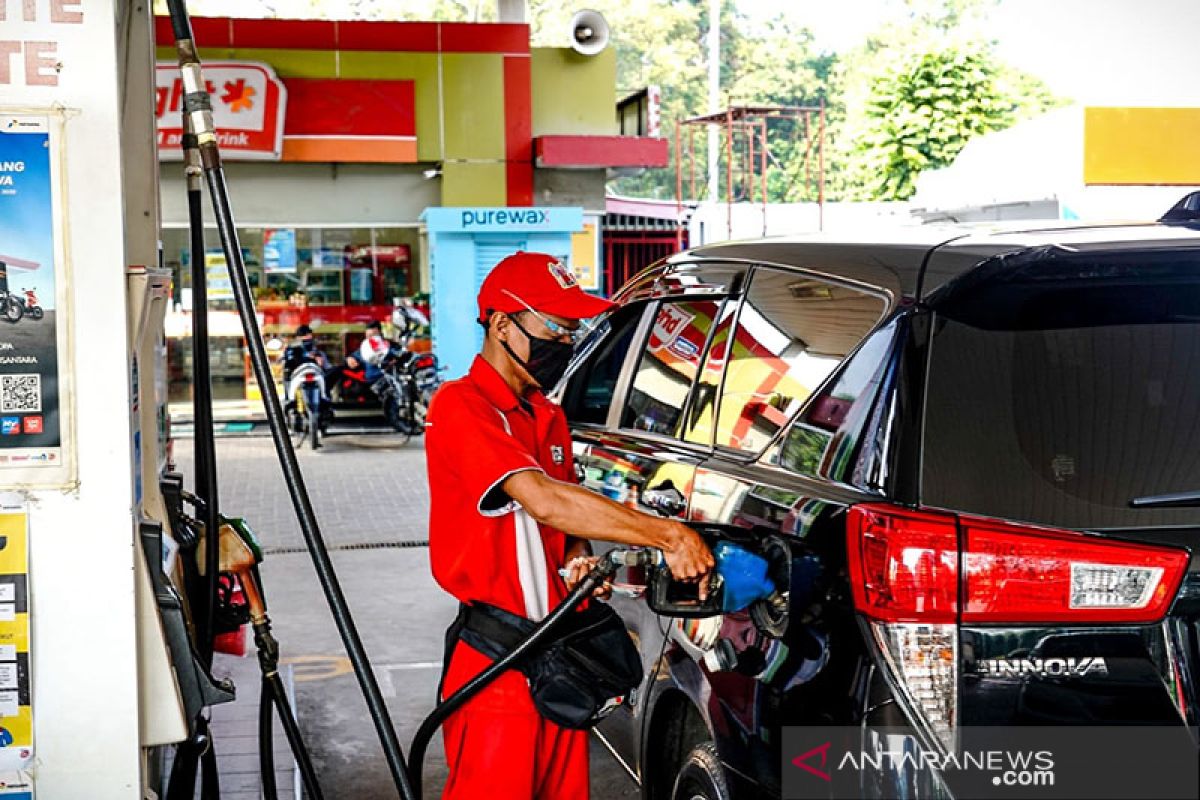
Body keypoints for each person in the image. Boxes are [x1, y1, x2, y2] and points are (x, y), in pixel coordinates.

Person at [425, 251, 715, 800]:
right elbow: (543, 499)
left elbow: (564, 519)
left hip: (558, 657)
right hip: (497, 662)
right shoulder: (462, 407)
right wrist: (668, 534)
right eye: (556, 327)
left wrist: (575, 558)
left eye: (573, 329)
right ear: (503, 324)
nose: (567, 340)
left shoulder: (546, 415)